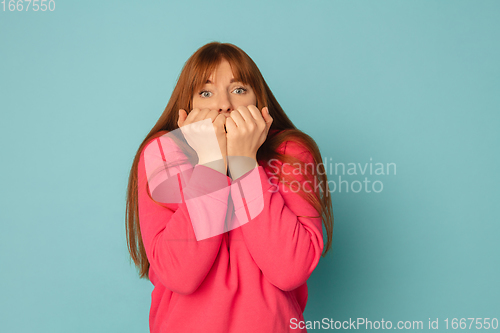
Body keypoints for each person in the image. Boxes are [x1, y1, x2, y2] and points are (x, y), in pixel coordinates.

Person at [125, 42, 333, 333]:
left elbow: (289, 270)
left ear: (260, 104)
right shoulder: (163, 154)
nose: (223, 104)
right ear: (186, 109)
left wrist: (243, 161)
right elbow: (179, 274)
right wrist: (211, 163)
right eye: (206, 93)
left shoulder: (290, 152)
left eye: (238, 90)